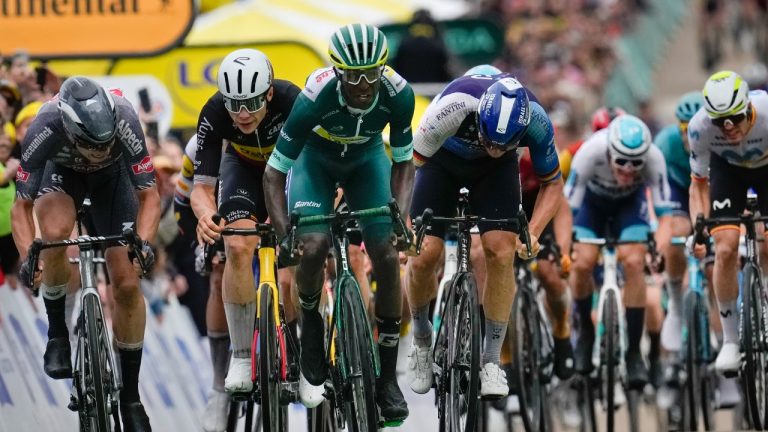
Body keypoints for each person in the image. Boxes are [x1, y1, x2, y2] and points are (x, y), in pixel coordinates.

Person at [262, 23, 415, 421]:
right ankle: (310, 323)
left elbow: (403, 162)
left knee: (385, 249)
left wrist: (398, 214)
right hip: (317, 161)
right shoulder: (315, 98)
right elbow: (274, 174)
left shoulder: (400, 95)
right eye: (353, 74)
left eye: (372, 73)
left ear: (384, 68)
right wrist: (284, 235)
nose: (363, 84)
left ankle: (387, 378)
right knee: (311, 247)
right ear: (337, 70)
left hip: (367, 161)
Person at [11, 76, 160, 431]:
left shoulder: (125, 118)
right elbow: (21, 207)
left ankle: (131, 396)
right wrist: (28, 257)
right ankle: (57, 332)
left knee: (125, 281)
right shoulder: (44, 127)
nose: (103, 148)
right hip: (62, 176)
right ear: (71, 130)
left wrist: (144, 244)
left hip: (114, 181)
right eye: (95, 145)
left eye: (108, 141)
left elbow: (149, 196)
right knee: (55, 235)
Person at [405, 74, 564, 398]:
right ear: (480, 118)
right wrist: (405, 224)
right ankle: (422, 338)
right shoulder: (454, 107)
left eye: (501, 144)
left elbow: (553, 183)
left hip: (496, 173)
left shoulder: (535, 119)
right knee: (423, 253)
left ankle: (491, 361)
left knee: (500, 252)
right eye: (488, 140)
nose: (491, 148)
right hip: (441, 163)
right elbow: (409, 167)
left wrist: (533, 232)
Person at [189, 48, 301, 429]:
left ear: (269, 93)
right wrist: (206, 215)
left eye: (252, 102)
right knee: (236, 244)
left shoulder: (292, 100)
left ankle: (304, 346)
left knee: (294, 264)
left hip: (289, 169)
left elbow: (319, 162)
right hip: (242, 171)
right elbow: (200, 186)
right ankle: (239, 355)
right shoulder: (215, 112)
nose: (243, 113)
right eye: (235, 104)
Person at [566, 114, 672, 389]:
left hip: (629, 206)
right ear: (609, 151)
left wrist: (657, 251)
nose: (626, 173)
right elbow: (568, 209)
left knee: (634, 261)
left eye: (634, 168)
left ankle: (635, 351)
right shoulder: (590, 152)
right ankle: (586, 336)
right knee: (581, 262)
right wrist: (565, 246)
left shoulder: (655, 159)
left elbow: (665, 218)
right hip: (592, 206)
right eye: (620, 165)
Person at [688, 70, 768, 373]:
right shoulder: (699, 128)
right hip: (728, 172)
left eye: (735, 117)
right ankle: (731, 341)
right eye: (720, 121)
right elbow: (698, 184)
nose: (729, 127)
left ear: (748, 106)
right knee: (724, 249)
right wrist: (699, 225)